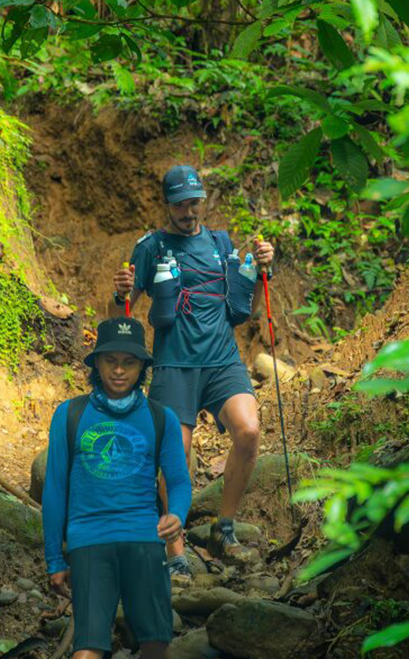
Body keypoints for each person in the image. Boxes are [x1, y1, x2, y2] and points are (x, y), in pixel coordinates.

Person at [108, 165, 275, 576]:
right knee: (175, 456)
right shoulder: (150, 248)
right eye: (180, 203)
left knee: (249, 431)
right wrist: (119, 293)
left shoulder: (220, 244)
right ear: (167, 204)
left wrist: (262, 272)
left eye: (194, 202)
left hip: (221, 361)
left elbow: (247, 310)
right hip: (173, 366)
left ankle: (225, 528)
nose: (189, 211)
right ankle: (176, 553)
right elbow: (119, 316)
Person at [43, 316, 192, 659]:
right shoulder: (70, 414)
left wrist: (177, 514)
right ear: (96, 362)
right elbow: (54, 490)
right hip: (89, 540)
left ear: (142, 367)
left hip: (144, 539)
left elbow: (179, 479)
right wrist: (54, 558)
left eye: (129, 362)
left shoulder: (161, 417)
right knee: (88, 648)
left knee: (156, 643)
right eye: (111, 361)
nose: (120, 371)